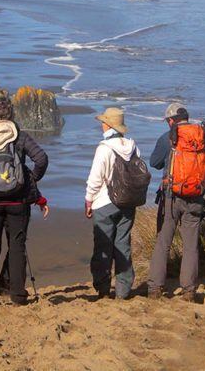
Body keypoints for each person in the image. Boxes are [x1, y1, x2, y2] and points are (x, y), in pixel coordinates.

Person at [0, 96, 48, 306]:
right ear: (11, 114)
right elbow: (41, 158)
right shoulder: (20, 137)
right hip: (18, 201)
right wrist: (31, 179)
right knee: (17, 246)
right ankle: (17, 295)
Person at [147, 103, 205, 303]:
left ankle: (155, 288)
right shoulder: (202, 135)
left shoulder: (168, 138)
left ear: (172, 120)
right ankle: (189, 291)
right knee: (191, 246)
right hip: (197, 197)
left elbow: (154, 163)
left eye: (167, 121)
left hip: (171, 197)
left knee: (163, 242)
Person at [85, 107, 140, 300]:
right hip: (128, 202)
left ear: (107, 125)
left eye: (103, 122)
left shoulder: (104, 148)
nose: (101, 124)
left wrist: (88, 200)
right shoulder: (133, 146)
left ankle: (102, 288)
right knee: (122, 244)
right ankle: (123, 290)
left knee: (103, 246)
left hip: (104, 203)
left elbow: (95, 179)